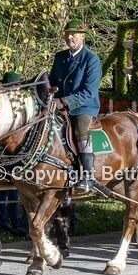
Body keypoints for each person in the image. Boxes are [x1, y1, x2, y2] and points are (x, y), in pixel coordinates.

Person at [50, 19, 103, 194]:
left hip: (83, 106)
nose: (69, 37)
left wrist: (64, 101)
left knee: (81, 130)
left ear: (82, 36)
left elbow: (88, 92)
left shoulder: (92, 60)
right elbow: (52, 82)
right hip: (58, 104)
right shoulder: (60, 57)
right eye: (67, 34)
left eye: (73, 34)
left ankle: (88, 177)